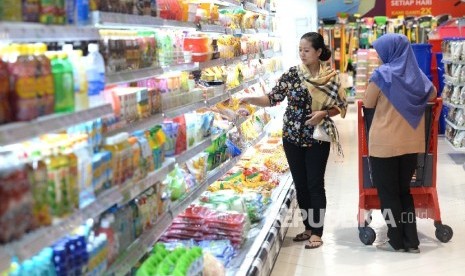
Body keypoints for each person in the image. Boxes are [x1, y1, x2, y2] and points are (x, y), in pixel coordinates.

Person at [241, 32, 347, 249]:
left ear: (318, 52)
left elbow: (340, 106)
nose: (302, 54)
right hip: (291, 137)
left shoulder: (331, 78)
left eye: (306, 50)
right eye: (300, 49)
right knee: (301, 185)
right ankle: (308, 227)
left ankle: (317, 232)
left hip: (317, 137)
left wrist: (323, 114)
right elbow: (272, 98)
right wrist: (250, 99)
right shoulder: (292, 74)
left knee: (315, 184)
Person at [363, 33, 437, 253]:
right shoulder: (416, 75)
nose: (378, 57)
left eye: (380, 52)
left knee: (388, 194)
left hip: (384, 145)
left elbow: (368, 102)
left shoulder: (381, 75)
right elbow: (432, 94)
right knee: (404, 191)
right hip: (411, 144)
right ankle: (411, 241)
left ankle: (396, 240)